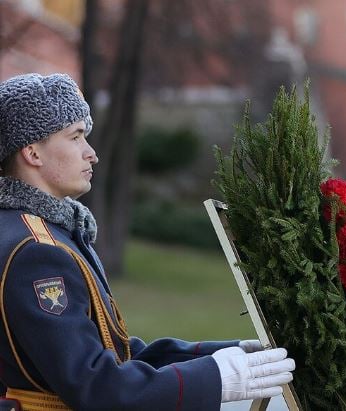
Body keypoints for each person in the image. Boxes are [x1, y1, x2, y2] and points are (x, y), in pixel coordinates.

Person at [0, 73, 295, 410]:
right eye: (76, 137)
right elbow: (96, 388)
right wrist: (214, 378)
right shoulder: (37, 251)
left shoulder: (47, 232)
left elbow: (117, 353)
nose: (91, 153)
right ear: (33, 152)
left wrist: (227, 355)